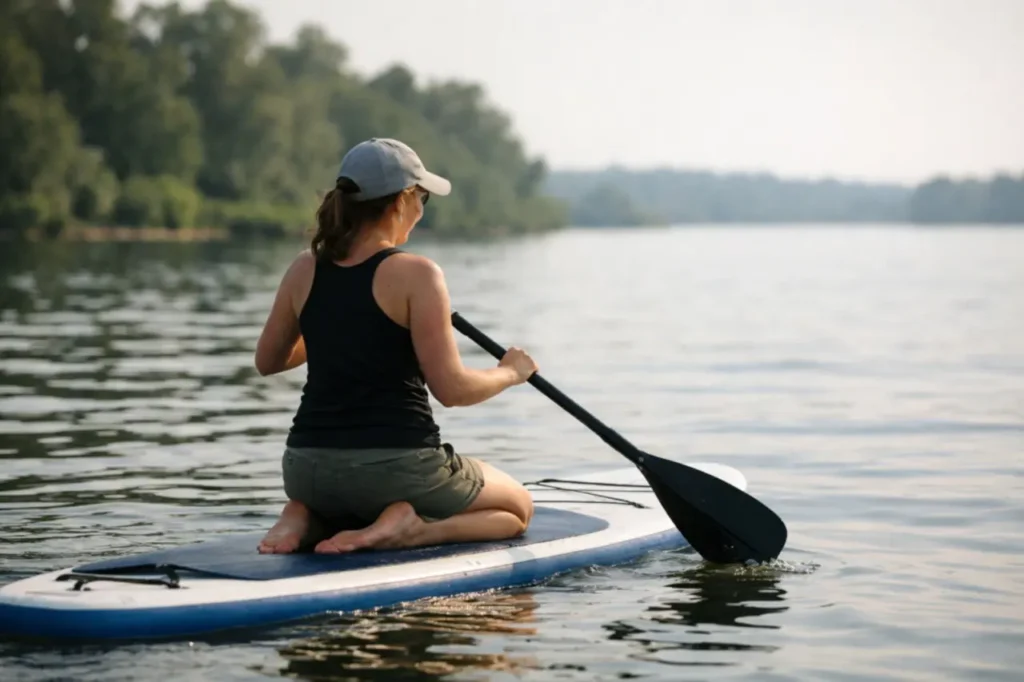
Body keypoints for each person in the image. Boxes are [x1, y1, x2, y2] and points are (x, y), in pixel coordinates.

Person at [253, 137, 539, 555]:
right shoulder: (418, 274)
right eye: (421, 197)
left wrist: (342, 323)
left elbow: (268, 361)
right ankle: (409, 529)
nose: (421, 210)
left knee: (341, 489)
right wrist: (512, 372)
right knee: (518, 511)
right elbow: (452, 390)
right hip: (396, 470)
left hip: (305, 469)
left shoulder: (305, 267)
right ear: (402, 200)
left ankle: (302, 514)